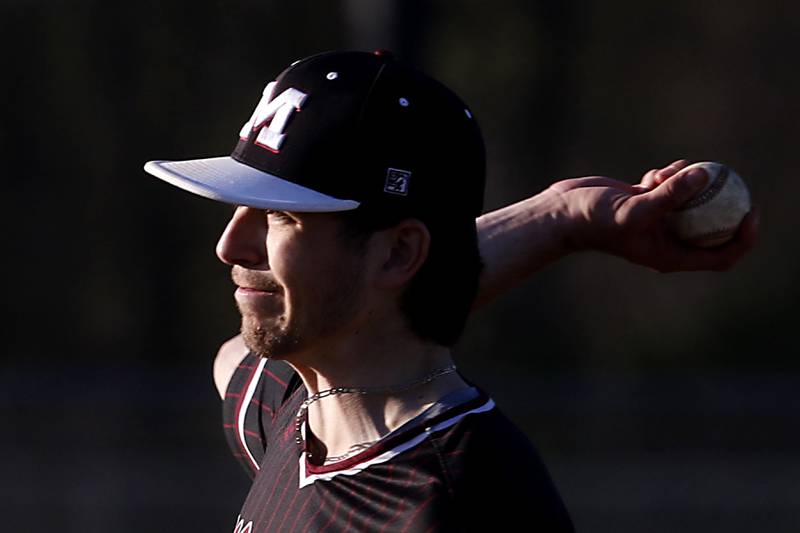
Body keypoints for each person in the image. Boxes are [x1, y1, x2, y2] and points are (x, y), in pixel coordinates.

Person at [145, 50, 757, 532]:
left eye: (279, 216)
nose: (231, 246)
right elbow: (238, 358)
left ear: (400, 252)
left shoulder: (459, 501)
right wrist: (556, 218)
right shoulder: (306, 419)